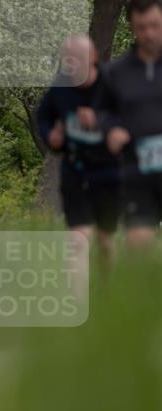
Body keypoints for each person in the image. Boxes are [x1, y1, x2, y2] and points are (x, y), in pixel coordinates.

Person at [36, 36, 121, 265]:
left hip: (109, 170)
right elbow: (43, 117)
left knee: (105, 240)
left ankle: (106, 294)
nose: (72, 65)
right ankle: (78, 298)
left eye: (77, 59)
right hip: (75, 169)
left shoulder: (112, 83)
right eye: (68, 60)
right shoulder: (60, 87)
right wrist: (51, 136)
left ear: (93, 58)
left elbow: (132, 118)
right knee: (78, 239)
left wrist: (100, 121)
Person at [97, 0, 162, 247]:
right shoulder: (116, 72)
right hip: (136, 170)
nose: (149, 34)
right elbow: (102, 113)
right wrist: (110, 129)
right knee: (139, 248)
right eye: (141, 27)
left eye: (155, 26)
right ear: (132, 27)